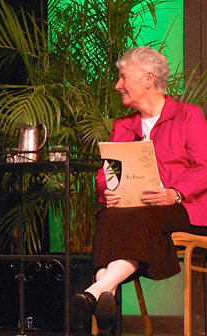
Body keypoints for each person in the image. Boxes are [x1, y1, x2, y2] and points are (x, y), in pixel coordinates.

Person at [71, 46, 207, 333]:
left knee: (140, 218)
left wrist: (175, 192)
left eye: (123, 78)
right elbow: (104, 173)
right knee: (108, 216)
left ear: (148, 79)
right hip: (136, 211)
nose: (118, 85)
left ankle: (95, 291)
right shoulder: (123, 126)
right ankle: (103, 294)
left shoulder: (188, 115)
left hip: (185, 209)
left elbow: (204, 166)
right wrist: (107, 190)